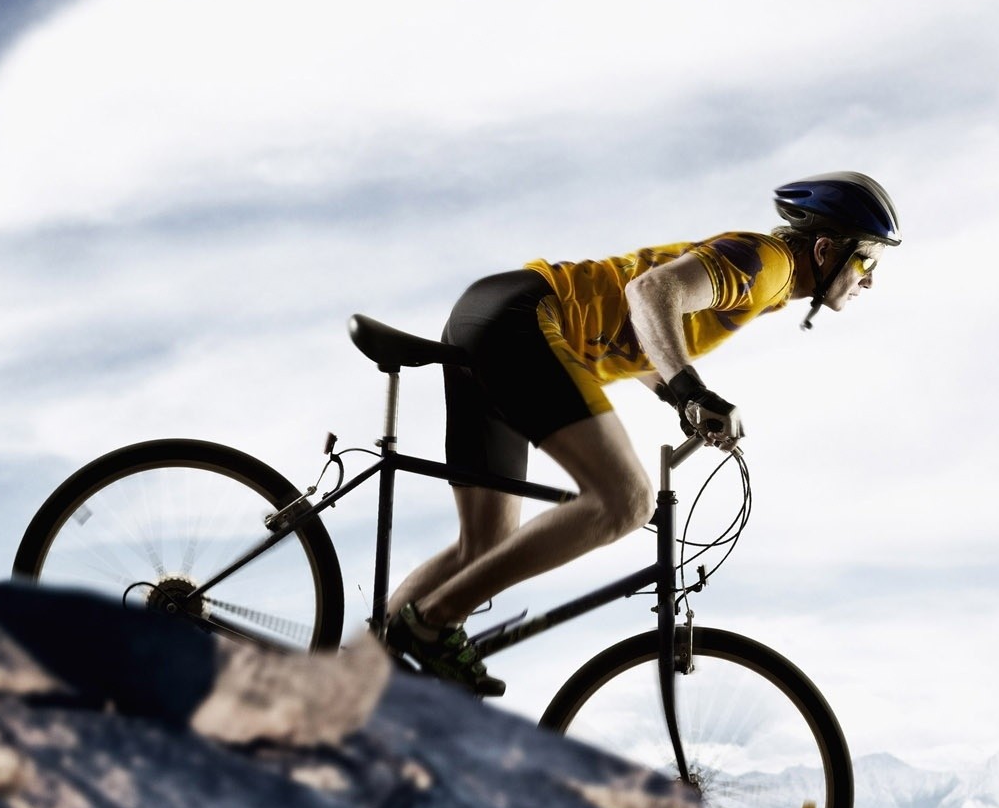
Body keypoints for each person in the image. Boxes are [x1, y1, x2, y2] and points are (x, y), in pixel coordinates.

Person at [383, 171, 902, 696]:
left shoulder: (765, 274)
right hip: (522, 321)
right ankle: (431, 625)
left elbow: (634, 325)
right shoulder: (769, 265)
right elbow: (650, 293)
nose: (871, 279)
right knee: (627, 501)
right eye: (868, 261)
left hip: (493, 315)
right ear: (823, 249)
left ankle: (363, 665)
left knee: (485, 544)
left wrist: (678, 396)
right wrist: (691, 389)